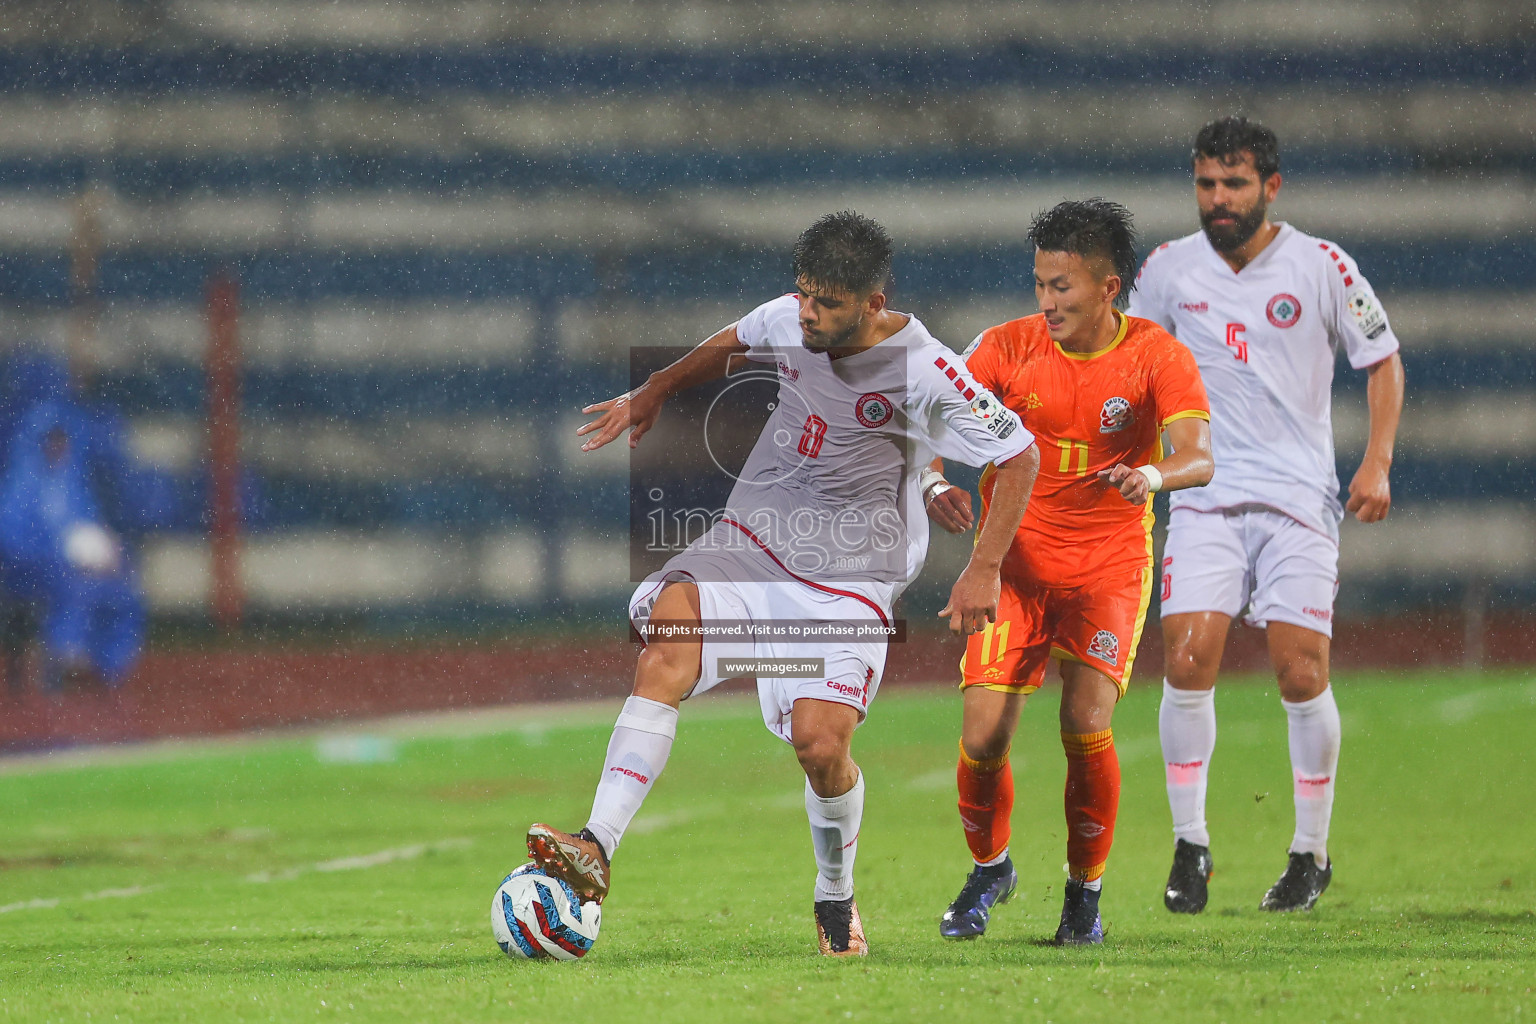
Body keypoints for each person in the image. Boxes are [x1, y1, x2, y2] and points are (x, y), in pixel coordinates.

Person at [524, 211, 1041, 956]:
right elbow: (736, 339)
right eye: (803, 294)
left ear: (872, 302)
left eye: (825, 303)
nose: (807, 312)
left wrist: (982, 566)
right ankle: (597, 845)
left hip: (850, 581)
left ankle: (835, 895)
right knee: (668, 644)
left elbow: (1019, 454)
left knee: (819, 745)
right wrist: (657, 388)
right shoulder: (791, 319)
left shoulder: (928, 368)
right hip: (753, 542)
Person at [1126, 116, 1405, 913]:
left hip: (1297, 497)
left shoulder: (1320, 265)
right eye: (1207, 183)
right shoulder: (1169, 270)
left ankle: (1310, 852)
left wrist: (1377, 461)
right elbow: (1136, 364)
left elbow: (1382, 359)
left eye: (1235, 183)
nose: (1219, 198)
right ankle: (1191, 845)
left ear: (1270, 187)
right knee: (1185, 660)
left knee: (1301, 671)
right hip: (1205, 492)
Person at [922, 198, 1213, 944]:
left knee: (1085, 727)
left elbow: (1199, 456)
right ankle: (991, 868)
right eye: (1041, 285)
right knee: (983, 736)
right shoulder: (1006, 347)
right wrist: (932, 482)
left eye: (1063, 287)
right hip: (1014, 568)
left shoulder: (1157, 355)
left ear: (1109, 288)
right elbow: (923, 419)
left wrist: (1151, 478)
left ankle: (1084, 896)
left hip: (1109, 570)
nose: (1047, 302)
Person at [0, 400, 145, 690]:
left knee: (124, 587)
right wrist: (57, 555)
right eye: (53, 440)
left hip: (74, 566)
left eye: (63, 441)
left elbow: (89, 524)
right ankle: (64, 659)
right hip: (33, 567)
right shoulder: (22, 481)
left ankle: (109, 666)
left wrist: (107, 549)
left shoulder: (72, 482)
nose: (59, 447)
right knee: (75, 587)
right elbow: (10, 535)